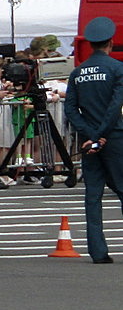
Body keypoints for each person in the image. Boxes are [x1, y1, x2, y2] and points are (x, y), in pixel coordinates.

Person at [63, 16, 123, 264]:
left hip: (88, 141)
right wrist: (101, 135)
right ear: (111, 42)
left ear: (89, 45)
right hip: (115, 138)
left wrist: (89, 135)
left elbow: (70, 109)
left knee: (93, 195)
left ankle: (98, 251)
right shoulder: (117, 69)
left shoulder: (77, 73)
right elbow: (115, 106)